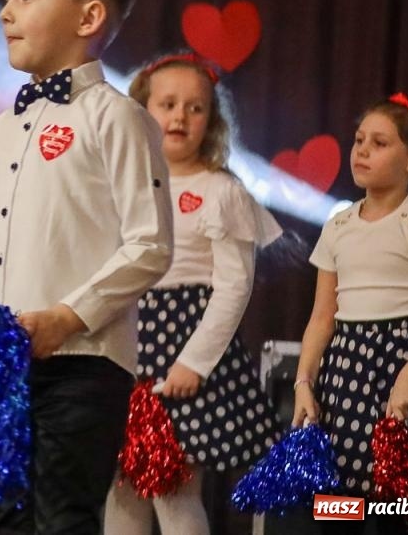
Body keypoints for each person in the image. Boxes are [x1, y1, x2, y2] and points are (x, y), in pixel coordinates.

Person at [0, 0, 172, 533]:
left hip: (82, 362)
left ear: (88, 15)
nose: (5, 11)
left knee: (61, 518)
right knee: (0, 521)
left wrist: (66, 316)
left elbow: (150, 245)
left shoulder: (119, 119)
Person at [103, 51, 282, 534]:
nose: (180, 116)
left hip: (184, 347)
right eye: (167, 104)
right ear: (142, 111)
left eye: (195, 107)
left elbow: (233, 287)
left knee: (173, 489)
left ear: (212, 121)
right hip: (125, 344)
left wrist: (194, 362)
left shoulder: (221, 191)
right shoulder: (120, 184)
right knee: (121, 490)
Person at [292, 94, 408, 507]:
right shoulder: (337, 226)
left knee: (401, 505)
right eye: (359, 140)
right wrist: (305, 382)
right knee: (340, 510)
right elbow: (322, 318)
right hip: (344, 378)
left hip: (403, 368)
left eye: (380, 143)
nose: (363, 150)